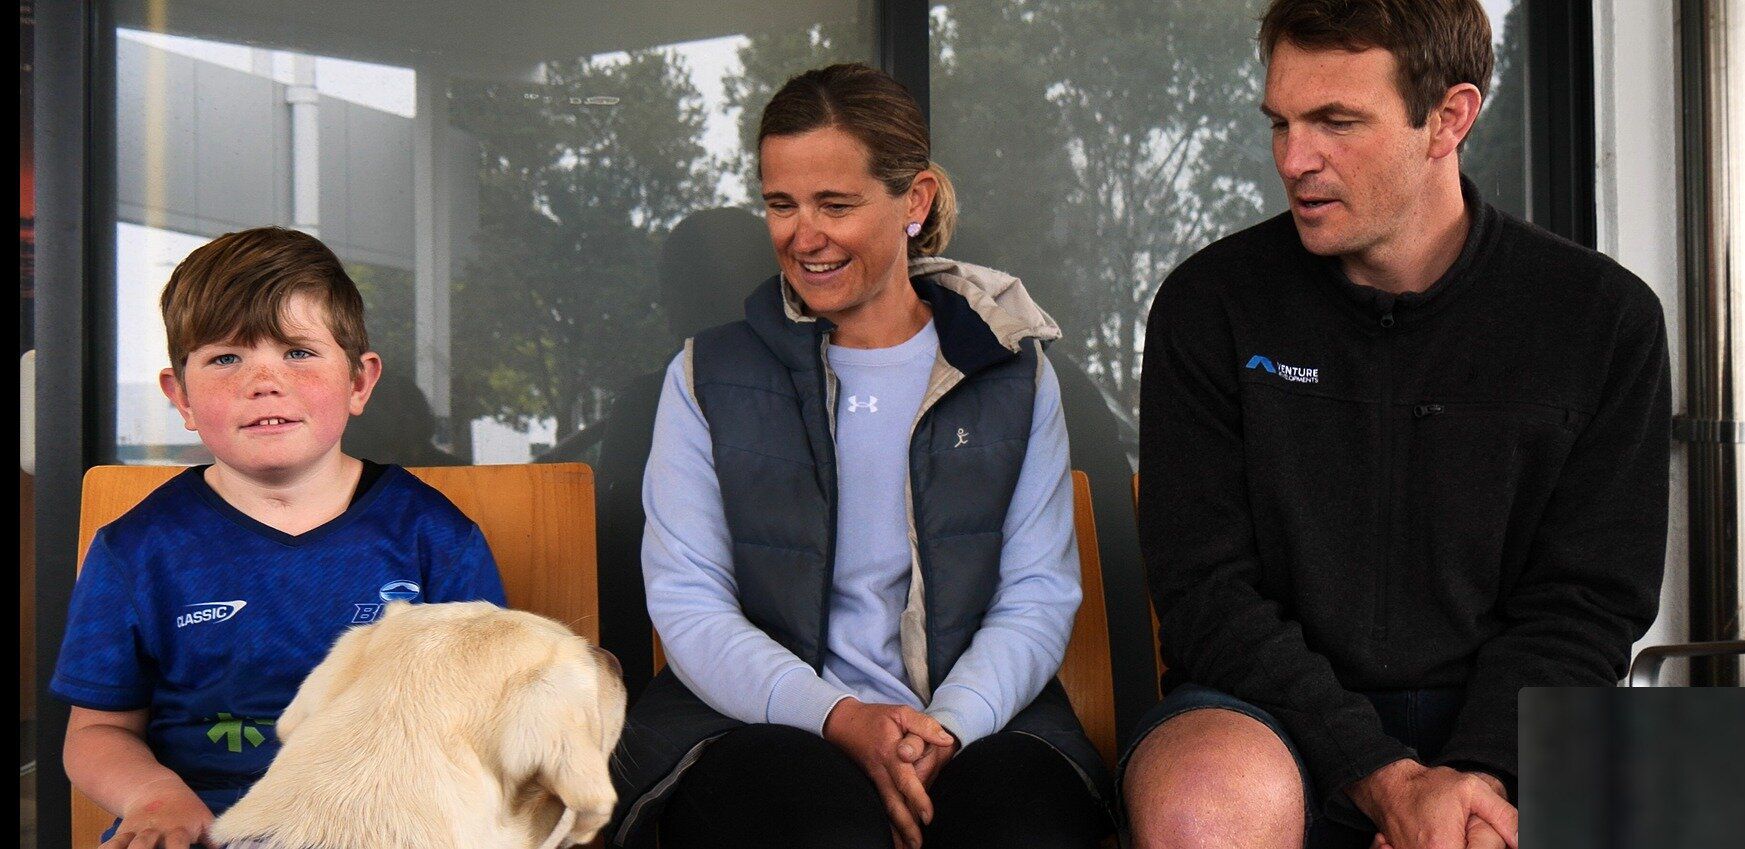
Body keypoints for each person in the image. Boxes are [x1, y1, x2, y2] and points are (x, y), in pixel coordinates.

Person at [1123, 2, 1670, 849]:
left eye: (1336, 122)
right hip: (1264, 712)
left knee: (1693, 787)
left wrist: (1482, 780)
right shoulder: (1211, 304)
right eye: (1280, 122)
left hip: (1516, 711)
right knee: (1202, 804)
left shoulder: (1602, 319)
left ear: (1448, 118)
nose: (1294, 159)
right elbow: (1204, 593)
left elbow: (1588, 602)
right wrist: (1388, 781)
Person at [607, 63, 1112, 849]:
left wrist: (944, 727)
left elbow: (1038, 595)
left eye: (833, 204)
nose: (802, 235)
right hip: (757, 725)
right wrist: (839, 716)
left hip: (975, 722)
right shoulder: (706, 376)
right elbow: (689, 605)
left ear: (913, 201)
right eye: (781, 204)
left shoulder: (1012, 373)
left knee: (1028, 829)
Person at [51, 227, 508, 848]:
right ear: (179, 396)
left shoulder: (434, 536)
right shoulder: (135, 550)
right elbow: (96, 731)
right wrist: (154, 796)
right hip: (201, 826)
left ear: (359, 382)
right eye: (226, 358)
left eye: (298, 352)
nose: (264, 381)